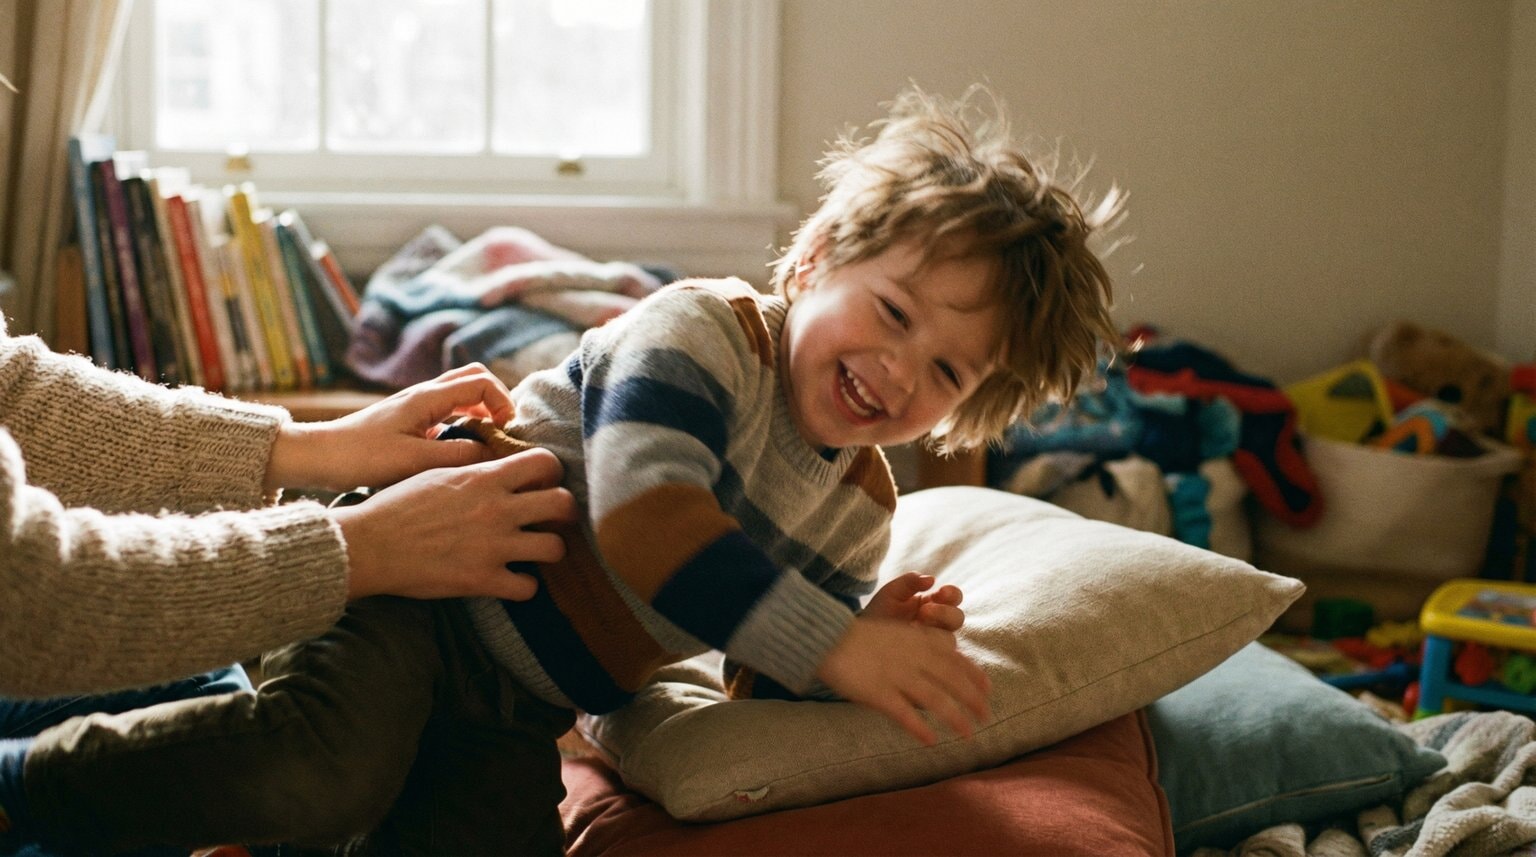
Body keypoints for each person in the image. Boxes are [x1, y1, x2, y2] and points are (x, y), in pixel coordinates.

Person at [3, 85, 1122, 855]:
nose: (895, 367)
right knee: (320, 768)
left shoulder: (857, 512)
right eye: (889, 310)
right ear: (818, 257)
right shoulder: (704, 335)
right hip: (410, 587)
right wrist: (840, 639)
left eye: (947, 370)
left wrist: (863, 645)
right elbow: (649, 518)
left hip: (522, 699)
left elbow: (755, 674)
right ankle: (28, 779)